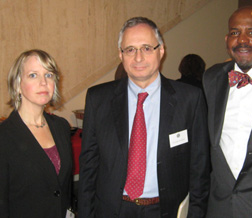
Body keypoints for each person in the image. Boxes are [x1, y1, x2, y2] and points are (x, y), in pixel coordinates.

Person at [78, 17, 209, 218]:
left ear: (161, 51)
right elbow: (88, 167)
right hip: (112, 210)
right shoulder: (98, 99)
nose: (138, 58)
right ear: (120, 55)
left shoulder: (190, 99)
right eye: (130, 49)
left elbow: (199, 167)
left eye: (147, 48)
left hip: (165, 210)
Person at [203, 6, 252, 218]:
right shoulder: (211, 78)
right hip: (220, 207)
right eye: (235, 33)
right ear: (227, 39)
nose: (243, 40)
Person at [0, 49, 73, 218]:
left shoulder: (61, 127)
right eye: (33, 75)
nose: (43, 82)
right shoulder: (4, 137)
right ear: (17, 84)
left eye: (48, 75)